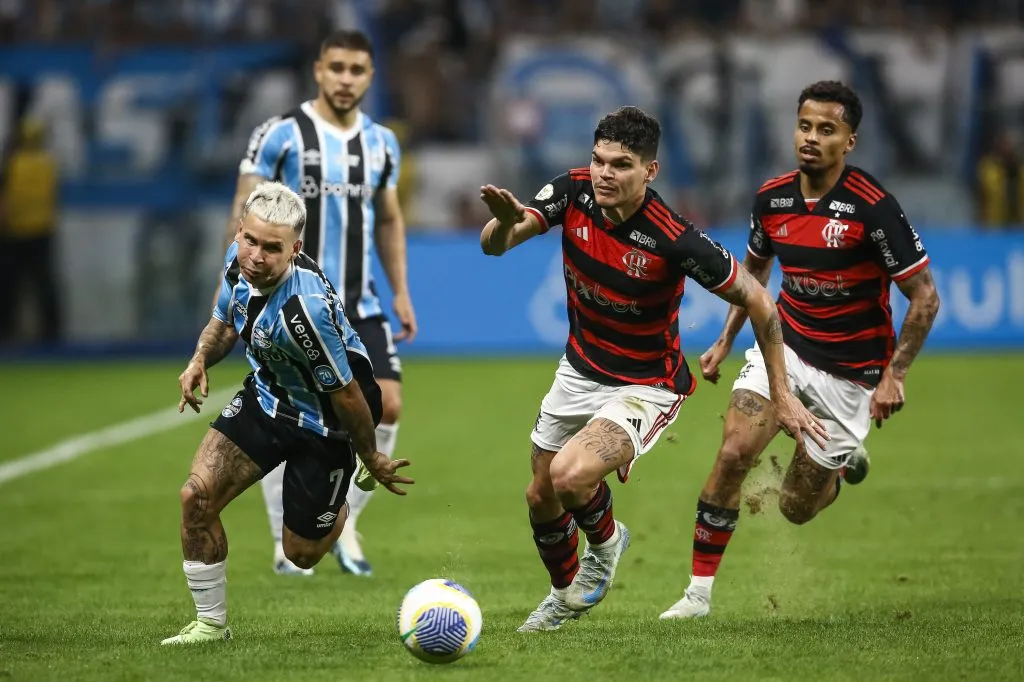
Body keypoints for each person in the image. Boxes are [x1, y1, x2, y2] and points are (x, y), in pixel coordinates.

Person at [478, 106, 828, 632]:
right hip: (578, 370)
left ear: (650, 171)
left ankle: (605, 544)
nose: (603, 174)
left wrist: (780, 390)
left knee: (570, 475)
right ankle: (563, 595)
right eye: (598, 160)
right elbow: (495, 246)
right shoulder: (572, 193)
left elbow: (760, 299)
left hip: (646, 384)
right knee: (540, 494)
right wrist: (504, 224)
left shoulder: (673, 238)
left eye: (620, 165)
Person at [659, 81, 941, 620]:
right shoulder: (773, 198)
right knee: (734, 453)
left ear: (849, 141)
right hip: (784, 349)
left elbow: (924, 297)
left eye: (826, 130)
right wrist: (724, 339)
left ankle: (836, 470)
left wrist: (893, 375)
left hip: (851, 374)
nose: (811, 138)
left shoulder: (873, 207)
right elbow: (755, 276)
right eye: (805, 126)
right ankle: (696, 595)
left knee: (794, 508)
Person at [163, 182, 413, 645]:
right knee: (195, 498)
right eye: (250, 241)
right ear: (240, 232)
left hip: (329, 425)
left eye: (271, 249)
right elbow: (223, 323)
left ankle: (338, 501)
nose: (255, 256)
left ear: (295, 249)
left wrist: (371, 455)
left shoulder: (304, 311)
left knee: (301, 555)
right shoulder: (237, 261)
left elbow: (348, 396)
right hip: (269, 398)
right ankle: (211, 625)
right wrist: (199, 358)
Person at [229, 29, 416, 576]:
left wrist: (401, 290)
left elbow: (387, 218)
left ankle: (343, 521)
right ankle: (280, 540)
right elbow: (245, 210)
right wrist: (236, 285)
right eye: (336, 67)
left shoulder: (382, 143)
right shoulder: (280, 135)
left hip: (357, 300)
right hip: (288, 303)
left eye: (357, 70)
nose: (345, 79)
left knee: (391, 404)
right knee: (285, 412)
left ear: (370, 76)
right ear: (318, 69)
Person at [0, 117, 61, 344]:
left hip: (16, 232)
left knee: (11, 286)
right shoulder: (48, 164)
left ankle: (8, 330)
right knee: (44, 284)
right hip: (43, 231)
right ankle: (52, 333)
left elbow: (4, 201)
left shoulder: (12, 164)